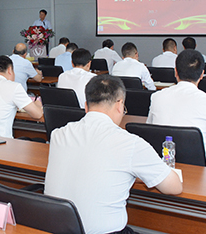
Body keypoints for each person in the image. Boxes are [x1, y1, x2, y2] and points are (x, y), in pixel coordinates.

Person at [45, 75, 182, 234]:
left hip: (53, 230)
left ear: (86, 106)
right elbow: (174, 187)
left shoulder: (59, 134)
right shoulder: (130, 143)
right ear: (119, 105)